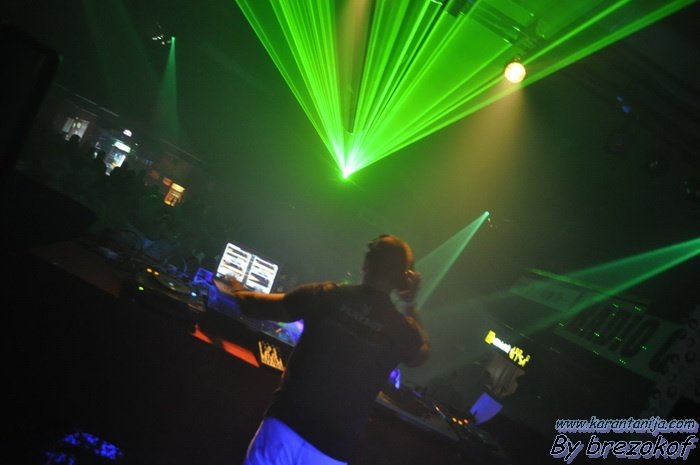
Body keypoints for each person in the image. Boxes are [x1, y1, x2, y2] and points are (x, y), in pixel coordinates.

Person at [221, 234, 430, 465]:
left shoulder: (327, 296)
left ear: (366, 263)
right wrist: (411, 304)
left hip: (285, 427)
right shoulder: (401, 329)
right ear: (403, 280)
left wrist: (236, 289)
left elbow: (255, 306)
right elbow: (421, 354)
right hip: (333, 449)